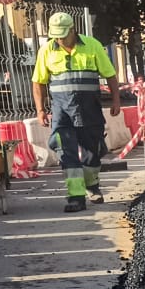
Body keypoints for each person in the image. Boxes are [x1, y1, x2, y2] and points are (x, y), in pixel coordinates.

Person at [32, 11, 121, 213]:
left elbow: (111, 75)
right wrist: (40, 110)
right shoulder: (46, 50)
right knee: (67, 153)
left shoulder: (92, 46)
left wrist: (116, 100)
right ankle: (76, 197)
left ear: (73, 29)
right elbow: (38, 82)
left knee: (94, 151)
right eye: (57, 35)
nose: (60, 38)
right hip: (62, 112)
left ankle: (91, 185)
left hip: (89, 109)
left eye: (63, 34)